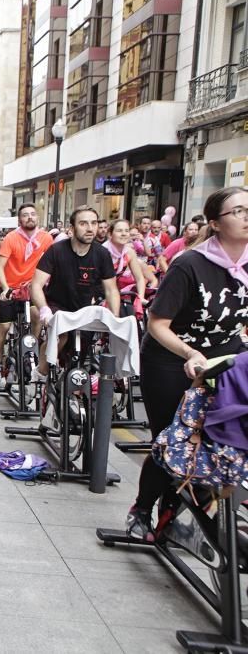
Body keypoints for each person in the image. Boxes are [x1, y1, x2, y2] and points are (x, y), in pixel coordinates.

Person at [125, 186, 248, 540]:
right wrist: (191, 354)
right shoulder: (189, 264)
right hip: (171, 359)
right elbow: (157, 325)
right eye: (236, 211)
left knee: (222, 440)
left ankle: (176, 510)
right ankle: (142, 509)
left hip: (225, 363)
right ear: (215, 223)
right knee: (172, 440)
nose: (245, 216)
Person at [30, 207, 120, 377]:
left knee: (80, 355)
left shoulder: (102, 254)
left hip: (84, 310)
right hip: (57, 305)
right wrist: (44, 309)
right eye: (83, 223)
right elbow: (36, 285)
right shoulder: (56, 250)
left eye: (94, 223)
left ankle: (72, 391)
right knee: (60, 335)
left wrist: (114, 317)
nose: (90, 228)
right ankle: (39, 376)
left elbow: (111, 289)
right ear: (71, 229)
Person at [0, 204, 54, 384]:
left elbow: (52, 263)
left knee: (38, 317)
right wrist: (5, 288)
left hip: (33, 288)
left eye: (33, 214)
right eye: (25, 215)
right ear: (20, 220)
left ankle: (30, 349)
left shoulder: (46, 238)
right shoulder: (11, 238)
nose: (30, 218)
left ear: (38, 218)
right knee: (4, 326)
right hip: (10, 288)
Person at [103, 219, 148, 313]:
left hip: (115, 294)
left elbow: (139, 278)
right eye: (119, 231)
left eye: (126, 231)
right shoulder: (102, 251)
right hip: (99, 295)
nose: (124, 234)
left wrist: (141, 297)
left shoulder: (129, 252)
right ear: (110, 234)